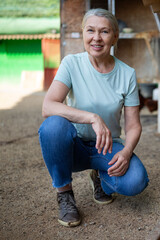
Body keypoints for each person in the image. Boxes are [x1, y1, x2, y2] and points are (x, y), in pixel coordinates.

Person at [38, 8, 149, 227]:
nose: (96, 38)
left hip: (106, 148)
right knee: (53, 126)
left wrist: (126, 153)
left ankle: (101, 178)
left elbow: (134, 126)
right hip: (74, 146)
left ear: (114, 37)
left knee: (136, 181)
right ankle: (65, 194)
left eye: (104, 32)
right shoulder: (71, 64)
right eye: (90, 30)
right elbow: (48, 106)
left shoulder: (127, 74)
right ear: (83, 34)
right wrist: (92, 118)